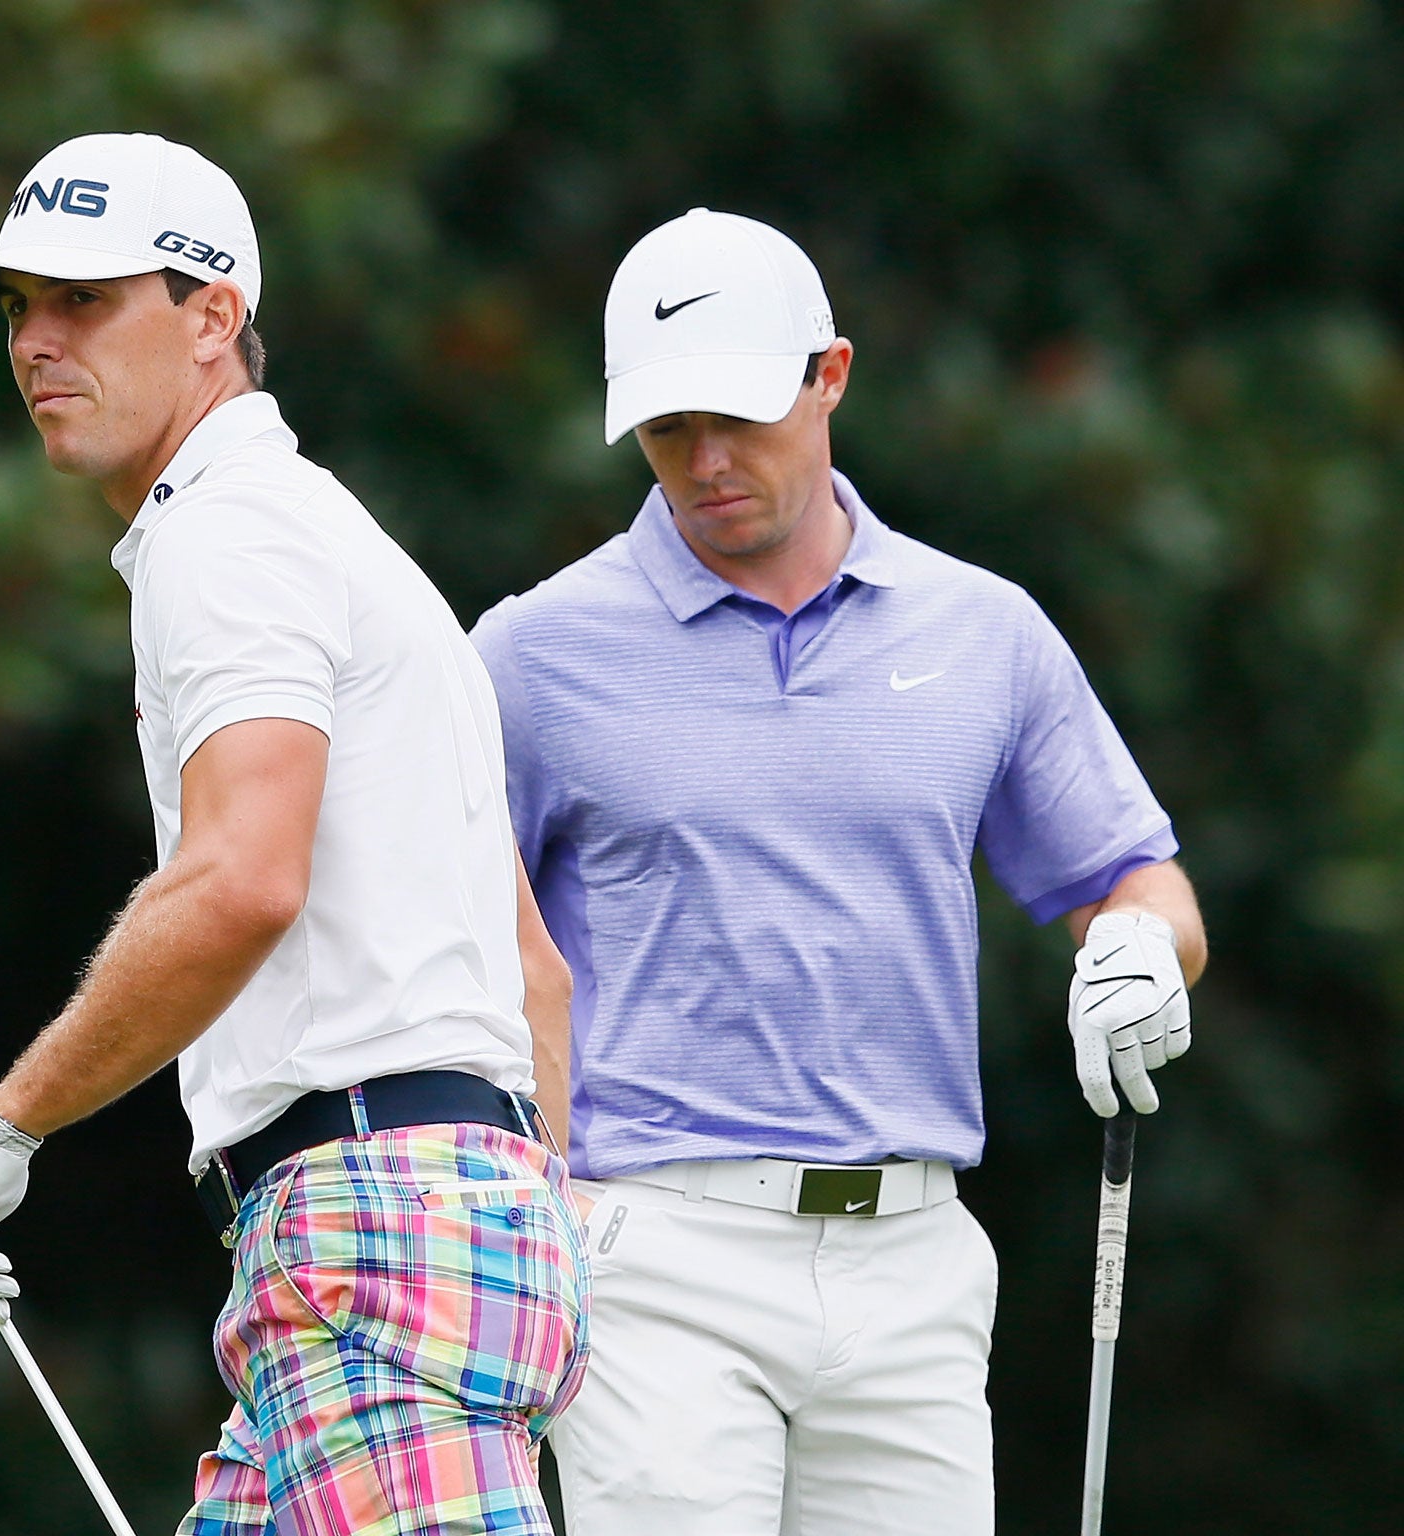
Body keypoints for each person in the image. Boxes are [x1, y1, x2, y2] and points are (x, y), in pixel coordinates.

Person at [468, 208, 1207, 1536]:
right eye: (666, 427)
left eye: (740, 417)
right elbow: (439, 941)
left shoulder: (983, 633)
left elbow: (1134, 877)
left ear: (833, 376)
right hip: (654, 1250)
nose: (703, 462)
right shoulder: (535, 653)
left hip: (915, 1262)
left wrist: (1141, 950)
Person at [0, 132, 589, 1536]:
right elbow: (538, 977)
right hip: (440, 1218)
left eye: (84, 300)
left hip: (369, 1236)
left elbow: (238, 883)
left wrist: (6, 1126)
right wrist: (534, 1227)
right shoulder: (329, 534)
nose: (36, 340)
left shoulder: (229, 534)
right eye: (22, 307)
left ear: (213, 318)